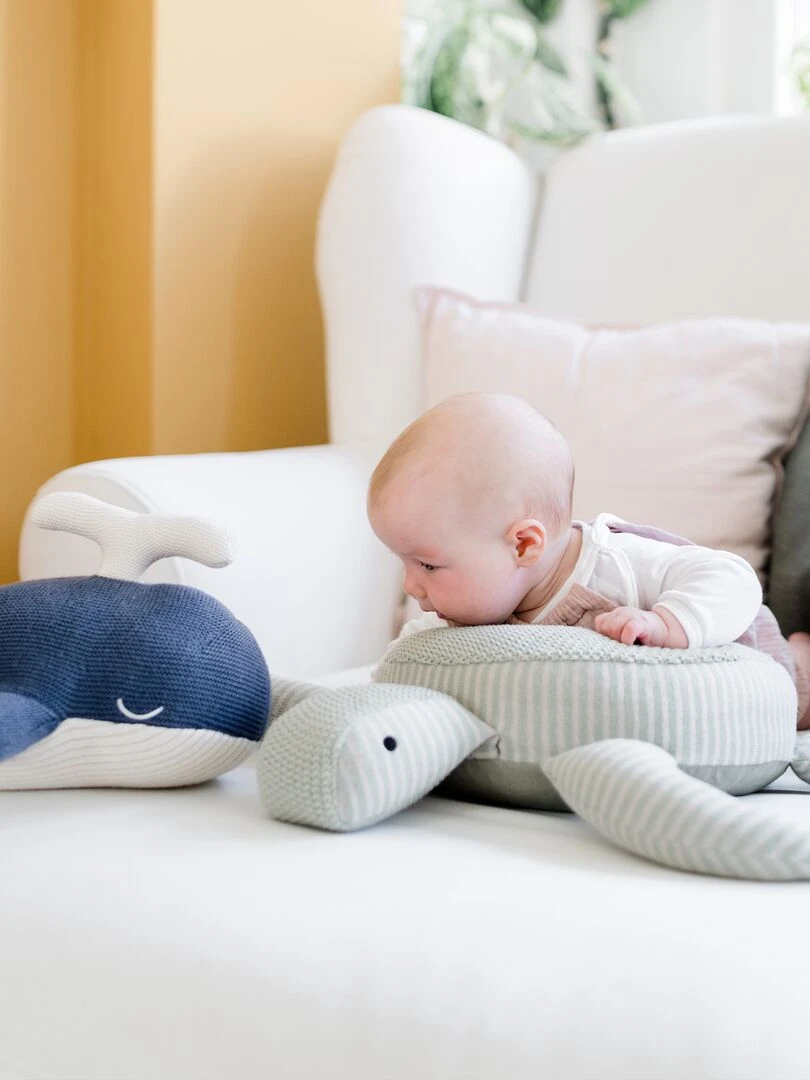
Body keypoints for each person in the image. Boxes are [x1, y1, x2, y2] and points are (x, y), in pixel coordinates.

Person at [367, 392, 810, 728]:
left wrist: (665, 623)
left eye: (427, 565)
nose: (411, 585)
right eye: (404, 562)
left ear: (523, 545)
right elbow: (409, 662)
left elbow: (732, 579)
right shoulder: (467, 610)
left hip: (772, 675)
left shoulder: (617, 563)